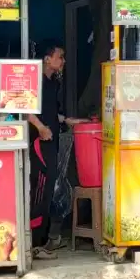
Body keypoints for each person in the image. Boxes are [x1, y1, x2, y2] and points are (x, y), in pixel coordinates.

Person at [27, 42, 82, 258]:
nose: (63, 61)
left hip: (51, 140)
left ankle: (44, 242)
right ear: (47, 59)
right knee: (40, 189)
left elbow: (47, 112)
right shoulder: (34, 82)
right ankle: (34, 244)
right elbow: (23, 110)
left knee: (49, 187)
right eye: (60, 56)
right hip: (40, 142)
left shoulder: (51, 83)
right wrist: (40, 128)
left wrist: (66, 120)